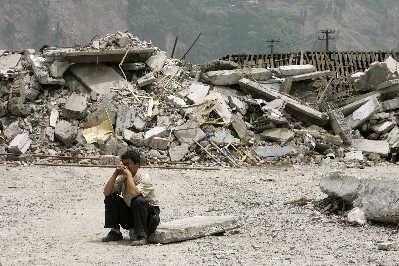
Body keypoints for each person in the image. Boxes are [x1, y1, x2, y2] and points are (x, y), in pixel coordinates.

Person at [102, 149, 160, 245]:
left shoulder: (144, 178)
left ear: (137, 165)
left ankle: (142, 236)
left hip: (149, 217)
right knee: (111, 198)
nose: (125, 167)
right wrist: (115, 174)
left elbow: (134, 193)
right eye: (123, 164)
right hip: (133, 213)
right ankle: (115, 232)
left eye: (128, 164)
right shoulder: (123, 178)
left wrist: (128, 174)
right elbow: (107, 192)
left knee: (138, 200)